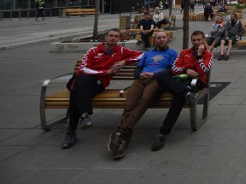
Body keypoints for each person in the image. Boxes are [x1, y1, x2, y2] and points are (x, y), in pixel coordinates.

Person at [61, 29, 142, 149]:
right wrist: (106, 71)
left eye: (116, 36)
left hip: (98, 83)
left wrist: (125, 61)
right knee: (82, 81)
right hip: (85, 81)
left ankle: (73, 130)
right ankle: (83, 115)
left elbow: (142, 54)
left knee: (76, 91)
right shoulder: (93, 51)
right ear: (105, 37)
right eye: (110, 36)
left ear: (119, 39)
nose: (113, 38)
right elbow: (82, 69)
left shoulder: (121, 51)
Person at [108, 31, 178, 160]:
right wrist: (139, 75)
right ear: (154, 40)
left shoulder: (172, 53)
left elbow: (172, 71)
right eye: (159, 38)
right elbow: (138, 69)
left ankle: (120, 131)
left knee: (145, 99)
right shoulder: (148, 53)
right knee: (129, 104)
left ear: (167, 39)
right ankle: (123, 139)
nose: (161, 40)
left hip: (157, 81)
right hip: (141, 80)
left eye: (164, 37)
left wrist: (154, 75)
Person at [151, 31, 212, 151]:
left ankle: (163, 133)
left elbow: (204, 71)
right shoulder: (184, 52)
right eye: (194, 40)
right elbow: (174, 68)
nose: (196, 42)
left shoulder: (207, 54)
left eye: (199, 40)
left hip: (196, 81)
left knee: (178, 99)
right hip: (182, 81)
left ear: (203, 40)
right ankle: (186, 94)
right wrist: (186, 70)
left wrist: (199, 56)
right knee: (161, 76)